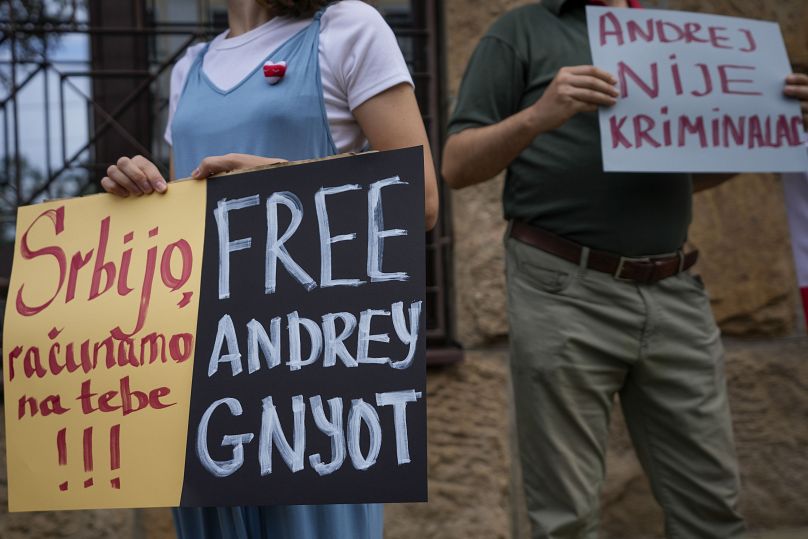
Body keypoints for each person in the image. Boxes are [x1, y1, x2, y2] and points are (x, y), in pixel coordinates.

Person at [441, 0, 808, 538]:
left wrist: (770, 124)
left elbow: (688, 175)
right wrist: (537, 116)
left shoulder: (679, 40)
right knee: (566, 519)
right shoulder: (520, 31)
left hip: (673, 289)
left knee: (713, 510)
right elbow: (455, 165)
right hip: (561, 287)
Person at [100, 0, 439, 537]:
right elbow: (185, 229)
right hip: (204, 374)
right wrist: (141, 196)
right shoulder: (191, 66)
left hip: (313, 370)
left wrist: (282, 179)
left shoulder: (348, 27)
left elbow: (418, 201)